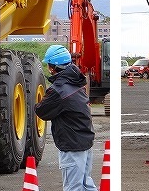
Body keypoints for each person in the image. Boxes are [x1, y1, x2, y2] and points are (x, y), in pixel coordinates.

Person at [35, 45, 97, 191]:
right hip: (85, 142)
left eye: (49, 65)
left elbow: (42, 111)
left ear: (53, 67)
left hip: (72, 145)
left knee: (73, 188)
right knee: (86, 185)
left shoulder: (59, 90)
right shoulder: (76, 82)